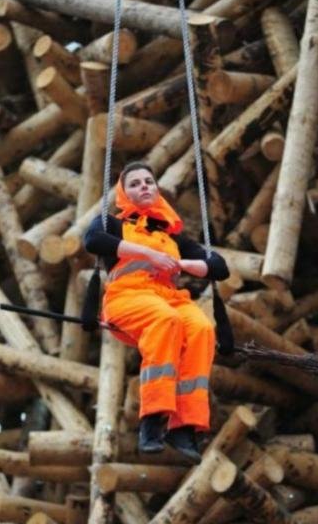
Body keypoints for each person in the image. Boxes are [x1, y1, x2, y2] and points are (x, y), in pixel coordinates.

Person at [83, 161, 232, 463]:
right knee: (167, 320)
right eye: (135, 184)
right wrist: (148, 254)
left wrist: (184, 264)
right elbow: (92, 240)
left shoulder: (172, 237)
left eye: (148, 182)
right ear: (124, 194)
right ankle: (152, 419)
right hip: (128, 296)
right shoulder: (112, 223)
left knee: (201, 328)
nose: (144, 187)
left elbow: (219, 267)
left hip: (168, 298)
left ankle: (184, 426)